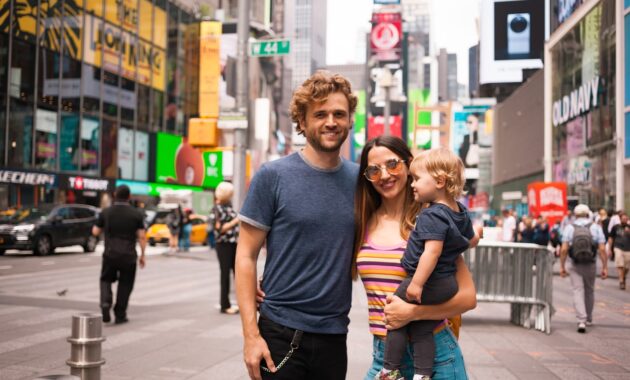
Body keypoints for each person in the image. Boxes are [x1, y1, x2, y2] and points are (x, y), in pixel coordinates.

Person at [235, 71, 359, 380]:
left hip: (334, 336)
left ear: (349, 120)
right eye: (320, 114)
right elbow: (245, 256)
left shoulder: (362, 182)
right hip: (279, 332)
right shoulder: (272, 176)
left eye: (339, 114)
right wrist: (251, 336)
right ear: (302, 122)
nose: (331, 121)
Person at [354, 136, 477, 380]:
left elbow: (467, 298)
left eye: (392, 164)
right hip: (385, 356)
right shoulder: (362, 222)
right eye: (374, 170)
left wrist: (413, 313)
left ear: (409, 165)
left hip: (436, 358)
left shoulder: (432, 220)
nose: (385, 175)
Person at [92, 184, 146, 324]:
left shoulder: (106, 212)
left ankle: (105, 303)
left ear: (115, 195)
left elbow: (95, 232)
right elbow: (142, 236)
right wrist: (143, 255)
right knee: (126, 284)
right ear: (129, 197)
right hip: (128, 255)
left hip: (110, 254)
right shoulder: (136, 214)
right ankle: (120, 314)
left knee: (105, 279)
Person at [559, 204, 607, 333]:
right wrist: (605, 267)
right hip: (591, 262)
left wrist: (562, 266)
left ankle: (581, 320)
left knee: (577, 290)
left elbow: (564, 249)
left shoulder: (569, 228)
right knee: (589, 290)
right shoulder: (595, 227)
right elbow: (602, 249)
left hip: (575, 263)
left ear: (575, 215)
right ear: (588, 214)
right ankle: (589, 318)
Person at [212, 182, 240, 314]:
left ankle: (238, 302)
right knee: (225, 274)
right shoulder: (217, 209)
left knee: (237, 273)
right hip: (223, 244)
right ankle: (225, 305)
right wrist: (235, 221)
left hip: (234, 243)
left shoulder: (228, 207)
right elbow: (219, 229)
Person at [608, 212, 629, 290]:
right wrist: (610, 249)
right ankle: (621, 281)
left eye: (626, 219)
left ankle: (623, 277)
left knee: (626, 267)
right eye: (623, 219)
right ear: (620, 219)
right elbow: (611, 238)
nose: (624, 220)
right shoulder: (615, 227)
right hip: (618, 247)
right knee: (620, 265)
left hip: (628, 249)